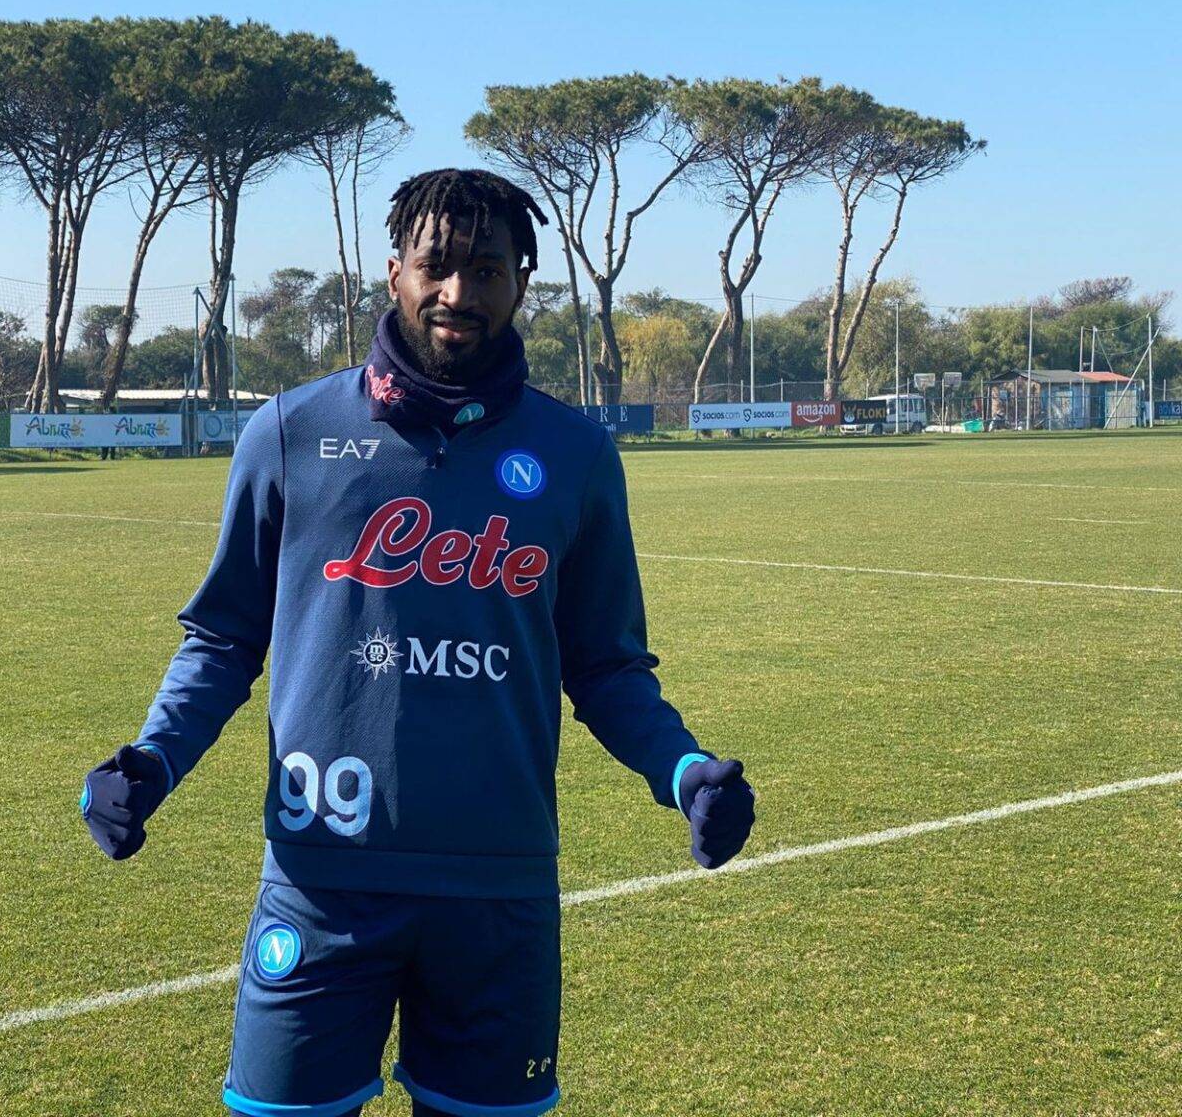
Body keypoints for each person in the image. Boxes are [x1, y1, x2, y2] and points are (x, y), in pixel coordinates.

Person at [81, 168, 756, 1117]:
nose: (458, 293)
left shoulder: (575, 455)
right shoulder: (290, 432)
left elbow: (606, 666)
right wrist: (152, 759)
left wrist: (683, 771)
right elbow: (224, 638)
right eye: (437, 265)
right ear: (394, 269)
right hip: (322, 877)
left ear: (521, 283)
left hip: (498, 891)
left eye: (487, 270)